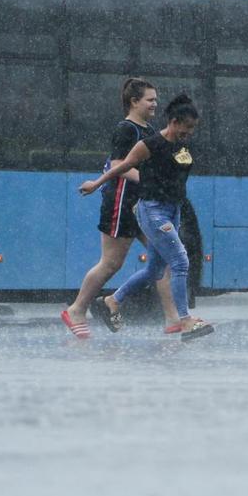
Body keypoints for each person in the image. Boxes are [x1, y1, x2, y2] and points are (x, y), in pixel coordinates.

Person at [79, 94, 214, 342]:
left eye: (193, 128)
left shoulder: (182, 146)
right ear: (173, 122)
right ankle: (184, 320)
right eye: (187, 127)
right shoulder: (149, 145)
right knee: (180, 261)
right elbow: (119, 165)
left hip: (173, 211)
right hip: (152, 211)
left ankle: (112, 301)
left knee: (154, 270)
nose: (190, 133)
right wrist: (96, 184)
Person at [61, 78, 180, 339]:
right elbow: (118, 164)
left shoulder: (149, 131)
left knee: (165, 257)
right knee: (111, 263)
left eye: (156, 99)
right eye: (150, 99)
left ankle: (174, 319)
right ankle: (77, 309)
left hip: (145, 205)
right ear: (134, 102)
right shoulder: (126, 129)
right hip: (122, 203)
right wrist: (151, 181)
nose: (155, 104)